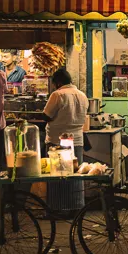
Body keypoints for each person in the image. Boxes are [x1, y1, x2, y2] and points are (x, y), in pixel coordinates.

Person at [42, 68, 89, 217]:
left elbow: (47, 116)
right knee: (75, 175)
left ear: (58, 82)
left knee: (56, 176)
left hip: (57, 141)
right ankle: (76, 208)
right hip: (77, 141)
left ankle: (56, 209)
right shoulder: (82, 95)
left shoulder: (57, 95)